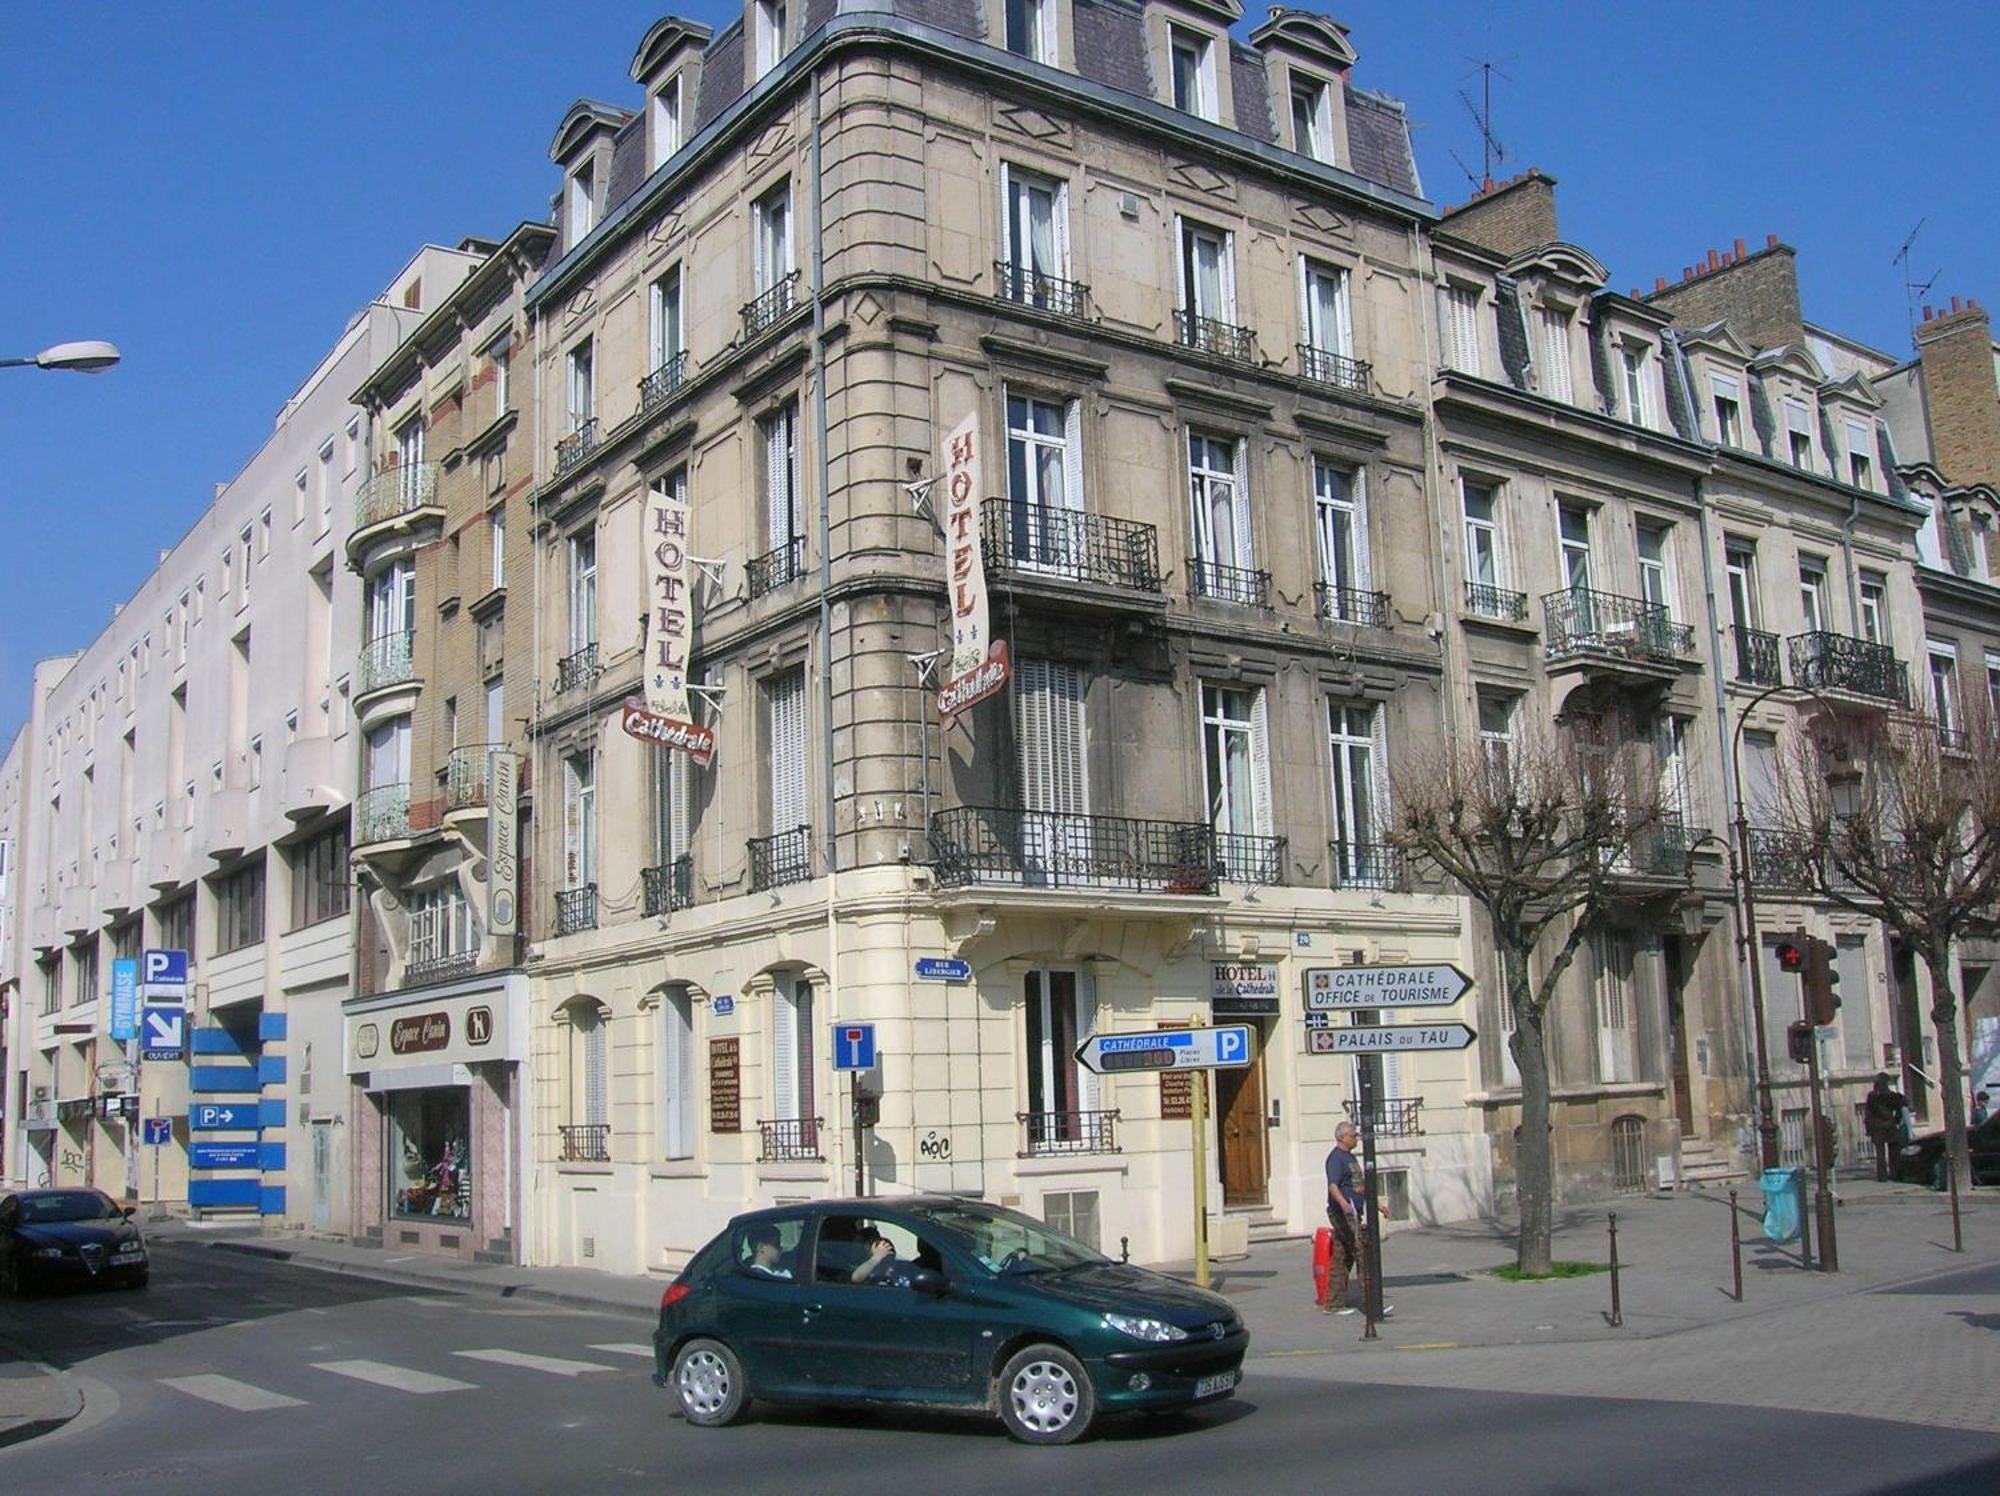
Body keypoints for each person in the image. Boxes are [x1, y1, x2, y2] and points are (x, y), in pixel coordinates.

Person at [1324, 1122, 1390, 1318]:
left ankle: (1334, 1302)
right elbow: (1333, 1186)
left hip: (1354, 1210)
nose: (1356, 1139)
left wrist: (1376, 1203)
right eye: (1353, 1136)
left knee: (1342, 1257)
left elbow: (1359, 1186)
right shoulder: (1335, 1159)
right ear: (1342, 1137)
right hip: (1344, 1213)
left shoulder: (1350, 1157)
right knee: (1363, 1253)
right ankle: (1372, 1304)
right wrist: (1344, 1205)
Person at [1863, 1073, 1908, 1182]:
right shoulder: (1891, 1096)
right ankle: (1894, 1173)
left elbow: (1868, 1113)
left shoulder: (1873, 1096)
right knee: (1893, 1151)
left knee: (1881, 1153)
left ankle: (1882, 1175)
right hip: (1889, 1125)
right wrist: (1896, 1120)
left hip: (1878, 1127)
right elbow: (1900, 1108)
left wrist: (1869, 1127)